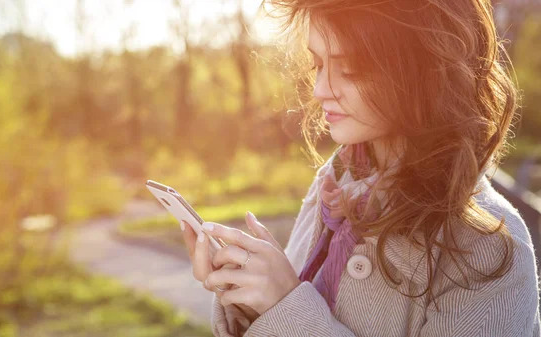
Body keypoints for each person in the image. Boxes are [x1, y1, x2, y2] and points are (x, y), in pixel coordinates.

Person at [181, 0, 541, 336]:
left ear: (425, 73)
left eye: (350, 69)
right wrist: (250, 295)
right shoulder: (335, 182)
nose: (320, 89)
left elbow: (293, 312)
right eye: (318, 65)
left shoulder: (489, 247)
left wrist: (284, 305)